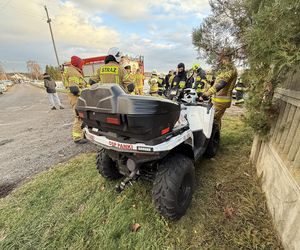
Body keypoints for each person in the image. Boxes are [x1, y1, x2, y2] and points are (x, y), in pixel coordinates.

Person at [202, 49, 238, 129]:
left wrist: (207, 94)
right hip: (217, 100)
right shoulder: (225, 69)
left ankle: (214, 138)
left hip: (221, 101)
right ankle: (215, 136)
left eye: (221, 59)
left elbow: (221, 84)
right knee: (216, 120)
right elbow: (217, 83)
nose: (220, 61)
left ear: (225, 58)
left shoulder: (230, 69)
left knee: (213, 120)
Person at [63, 56, 87, 144]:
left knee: (82, 116)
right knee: (79, 116)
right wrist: (86, 92)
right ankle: (77, 137)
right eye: (81, 64)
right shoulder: (73, 73)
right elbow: (74, 89)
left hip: (76, 98)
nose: (82, 66)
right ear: (78, 64)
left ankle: (81, 134)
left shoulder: (71, 70)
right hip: (76, 98)